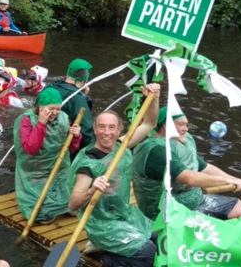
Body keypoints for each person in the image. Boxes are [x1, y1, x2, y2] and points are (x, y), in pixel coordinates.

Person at [67, 83, 160, 267]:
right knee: (149, 253)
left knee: (163, 238)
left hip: (125, 215)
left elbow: (150, 123)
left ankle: (113, 250)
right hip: (101, 225)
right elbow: (73, 203)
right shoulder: (88, 162)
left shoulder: (121, 145)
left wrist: (154, 98)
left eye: (111, 127)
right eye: (101, 127)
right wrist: (92, 189)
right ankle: (109, 260)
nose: (106, 133)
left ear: (119, 130)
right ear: (95, 130)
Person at [132, 107, 241, 221]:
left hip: (193, 201)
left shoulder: (183, 141)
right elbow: (190, 179)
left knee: (236, 207)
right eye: (181, 124)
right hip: (168, 212)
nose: (186, 129)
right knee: (212, 225)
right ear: (166, 125)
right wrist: (228, 181)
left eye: (186, 124)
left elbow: (205, 168)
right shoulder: (157, 150)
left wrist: (240, 181)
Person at [14, 88, 81, 224]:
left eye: (58, 109)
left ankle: (62, 203)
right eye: (51, 109)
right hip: (34, 171)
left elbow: (72, 147)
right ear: (40, 107)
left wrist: (76, 135)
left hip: (59, 167)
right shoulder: (26, 120)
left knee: (73, 209)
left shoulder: (63, 118)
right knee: (42, 215)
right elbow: (30, 148)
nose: (55, 113)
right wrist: (41, 123)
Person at [49, 58, 94, 158]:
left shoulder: (50, 87)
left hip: (44, 143)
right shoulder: (77, 99)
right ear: (85, 79)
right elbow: (86, 131)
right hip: (62, 151)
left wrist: (82, 95)